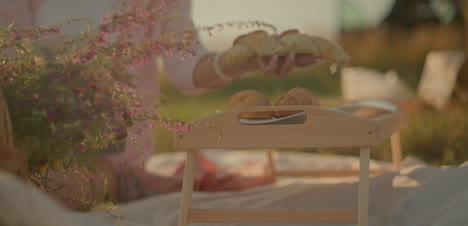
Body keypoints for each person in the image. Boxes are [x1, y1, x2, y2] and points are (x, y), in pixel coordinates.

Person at [1, 0, 320, 209]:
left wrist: (242, 59)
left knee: (39, 195)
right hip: (23, 141)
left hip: (109, 156)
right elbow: (9, 58)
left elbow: (185, 66)